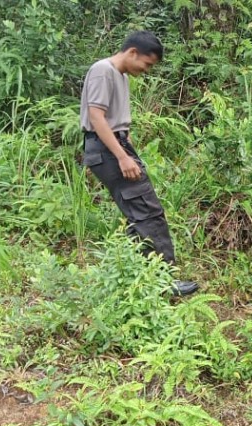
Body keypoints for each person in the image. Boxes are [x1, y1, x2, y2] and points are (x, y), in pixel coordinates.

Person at [80, 30, 198, 296]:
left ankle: (139, 277)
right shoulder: (103, 70)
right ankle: (164, 281)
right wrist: (122, 156)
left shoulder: (118, 75)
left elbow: (113, 118)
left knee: (138, 215)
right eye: (147, 64)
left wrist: (127, 146)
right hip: (109, 150)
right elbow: (97, 117)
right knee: (148, 212)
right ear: (132, 52)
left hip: (116, 146)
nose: (147, 70)